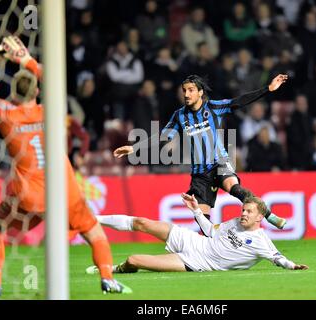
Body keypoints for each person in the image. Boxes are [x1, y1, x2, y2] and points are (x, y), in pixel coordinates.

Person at [0, 27, 131, 296]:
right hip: (64, 190)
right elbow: (56, 80)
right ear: (37, 90)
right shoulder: (53, 110)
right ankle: (108, 280)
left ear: (13, 92)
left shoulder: (6, 113)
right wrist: (26, 60)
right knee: (94, 233)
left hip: (29, 197)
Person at [113, 74, 288, 230]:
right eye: (184, 90)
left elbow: (240, 100)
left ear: (200, 92)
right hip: (200, 173)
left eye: (191, 90)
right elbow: (163, 136)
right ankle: (216, 250)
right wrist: (135, 148)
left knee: (234, 188)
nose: (186, 94)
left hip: (219, 162)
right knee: (203, 222)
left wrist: (268, 89)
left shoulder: (213, 107)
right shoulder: (179, 115)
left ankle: (269, 215)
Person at [86, 194, 308, 274]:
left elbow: (277, 257)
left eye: (249, 211)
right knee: (143, 222)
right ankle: (94, 218)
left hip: (196, 261)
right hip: (195, 241)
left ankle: (113, 269)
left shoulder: (261, 241)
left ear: (260, 217)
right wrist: (195, 210)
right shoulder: (235, 222)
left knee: (133, 260)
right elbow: (211, 231)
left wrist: (292, 265)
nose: (243, 213)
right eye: (243, 209)